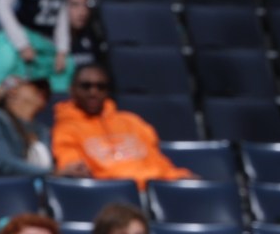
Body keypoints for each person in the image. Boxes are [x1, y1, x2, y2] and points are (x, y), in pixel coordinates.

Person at [52, 63, 187, 185]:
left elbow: (157, 160)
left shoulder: (131, 121)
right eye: (86, 86)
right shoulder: (66, 129)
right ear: (72, 90)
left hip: (154, 187)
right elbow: (73, 166)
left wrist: (178, 176)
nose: (93, 92)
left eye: (101, 87)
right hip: (110, 193)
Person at [0, 73, 53, 179]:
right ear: (12, 92)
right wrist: (51, 174)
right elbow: (1, 163)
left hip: (42, 190)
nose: (42, 93)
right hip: (2, 190)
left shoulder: (43, 131)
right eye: (35, 87)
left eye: (45, 92)